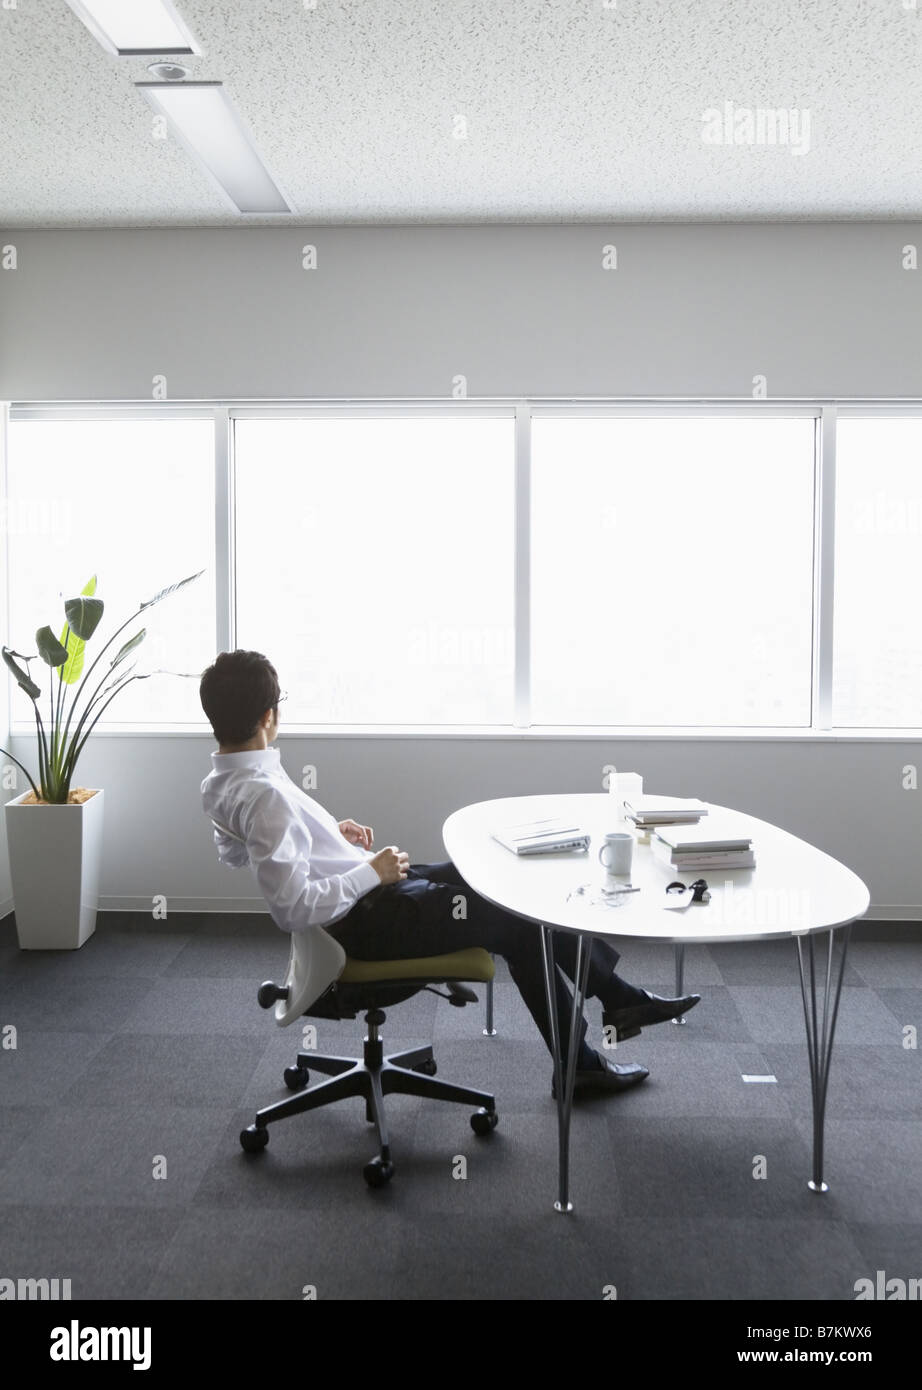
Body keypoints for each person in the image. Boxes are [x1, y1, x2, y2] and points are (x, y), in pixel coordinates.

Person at [199, 650, 699, 1095]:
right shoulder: (263, 794)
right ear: (269, 716)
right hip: (370, 917)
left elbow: (237, 852)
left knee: (488, 873)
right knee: (523, 922)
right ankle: (582, 1059)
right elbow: (290, 908)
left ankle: (619, 999)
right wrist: (369, 873)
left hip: (370, 895)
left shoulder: (227, 777)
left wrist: (328, 832)